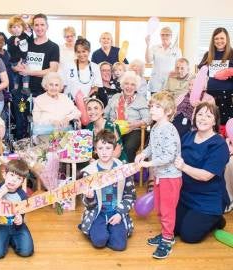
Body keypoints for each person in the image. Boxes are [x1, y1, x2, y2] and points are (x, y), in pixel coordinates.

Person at [135, 91, 182, 259]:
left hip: (171, 177)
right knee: (160, 209)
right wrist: (143, 154)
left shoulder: (169, 130)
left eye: (157, 107)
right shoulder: (155, 127)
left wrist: (149, 164)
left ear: (168, 111)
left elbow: (169, 156)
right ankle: (164, 234)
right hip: (160, 176)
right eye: (151, 107)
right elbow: (151, 147)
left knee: (168, 210)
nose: (152, 110)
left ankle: (168, 240)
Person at [174, 102, 229, 243]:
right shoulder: (188, 136)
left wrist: (183, 167)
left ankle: (216, 218)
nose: (203, 118)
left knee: (189, 236)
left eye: (208, 115)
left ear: (214, 121)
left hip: (208, 199)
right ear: (194, 117)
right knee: (174, 229)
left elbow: (206, 176)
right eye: (200, 114)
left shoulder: (219, 144)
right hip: (186, 195)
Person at [78, 130, 136, 251]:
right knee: (99, 241)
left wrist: (120, 213)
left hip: (116, 212)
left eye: (108, 148)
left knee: (119, 245)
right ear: (95, 150)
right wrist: (89, 198)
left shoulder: (122, 168)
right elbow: (87, 204)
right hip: (97, 213)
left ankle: (108, 230)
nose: (104, 152)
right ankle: (97, 229)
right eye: (100, 148)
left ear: (114, 149)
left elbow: (130, 196)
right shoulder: (89, 172)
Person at [12, 13, 59, 139]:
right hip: (22, 93)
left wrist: (29, 72)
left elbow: (52, 70)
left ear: (47, 26)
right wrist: (16, 67)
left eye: (42, 24)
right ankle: (21, 150)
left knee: (39, 125)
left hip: (42, 94)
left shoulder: (53, 47)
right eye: (36, 25)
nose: (39, 28)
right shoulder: (25, 43)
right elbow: (13, 62)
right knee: (21, 122)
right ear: (32, 27)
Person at [0, 159, 34, 259]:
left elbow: (22, 213)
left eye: (18, 178)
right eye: (12, 175)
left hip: (17, 227)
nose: (14, 180)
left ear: (22, 182)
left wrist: (20, 219)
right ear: (4, 174)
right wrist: (0, 194)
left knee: (26, 251)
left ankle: (10, 240)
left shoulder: (22, 194)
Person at [105, 71, 150, 162]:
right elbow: (105, 114)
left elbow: (148, 118)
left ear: (136, 87)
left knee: (128, 147)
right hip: (115, 129)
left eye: (133, 84)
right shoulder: (115, 97)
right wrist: (109, 123)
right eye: (126, 83)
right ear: (122, 85)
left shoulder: (141, 99)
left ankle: (126, 174)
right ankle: (110, 171)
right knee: (107, 145)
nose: (129, 87)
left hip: (134, 130)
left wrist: (137, 124)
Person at [198, 27, 233, 129]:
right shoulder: (207, 55)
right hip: (210, 96)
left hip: (228, 97)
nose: (219, 41)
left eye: (222, 38)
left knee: (227, 126)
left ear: (227, 39)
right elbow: (201, 74)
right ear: (213, 41)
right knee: (210, 124)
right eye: (216, 38)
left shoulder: (232, 54)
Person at [86, 97, 127, 162]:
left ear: (102, 111)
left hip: (116, 160)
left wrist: (101, 164)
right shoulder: (89, 127)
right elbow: (87, 150)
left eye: (96, 108)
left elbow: (117, 151)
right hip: (99, 159)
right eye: (89, 109)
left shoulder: (111, 126)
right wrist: (91, 160)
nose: (92, 111)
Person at [145, 27, 182, 94]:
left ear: (171, 36)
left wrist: (176, 74)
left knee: (167, 103)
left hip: (170, 82)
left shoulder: (177, 50)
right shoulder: (154, 47)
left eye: (167, 35)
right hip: (156, 82)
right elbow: (148, 60)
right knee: (154, 103)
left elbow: (179, 66)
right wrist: (147, 45)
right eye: (162, 34)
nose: (164, 36)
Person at [7, 15, 33, 95]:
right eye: (14, 27)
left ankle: (25, 87)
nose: (16, 29)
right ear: (10, 29)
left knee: (25, 73)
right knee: (16, 75)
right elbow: (10, 50)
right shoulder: (11, 39)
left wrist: (29, 22)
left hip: (24, 59)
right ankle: (15, 87)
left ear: (22, 28)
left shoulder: (24, 36)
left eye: (18, 26)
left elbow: (30, 35)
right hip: (15, 60)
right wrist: (14, 44)